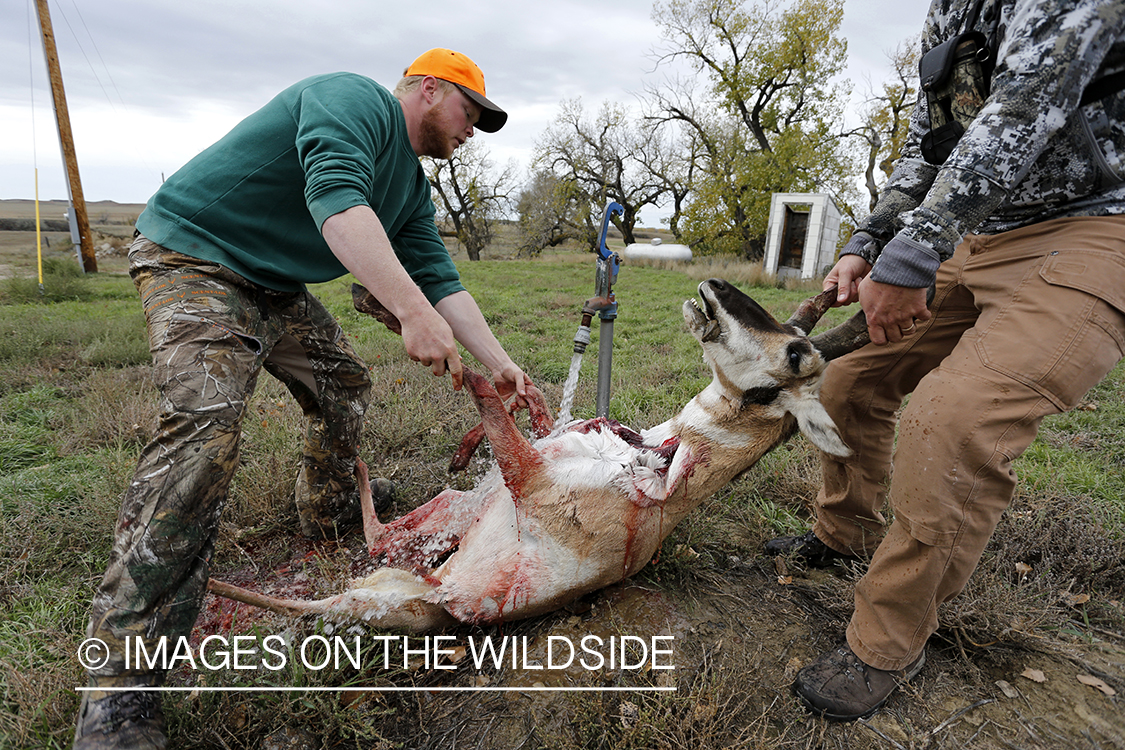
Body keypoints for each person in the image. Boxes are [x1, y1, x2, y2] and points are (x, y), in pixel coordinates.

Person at [73, 49, 529, 749]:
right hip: (194, 257)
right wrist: (409, 312)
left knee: (343, 383)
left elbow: (438, 277)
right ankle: (118, 680)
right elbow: (337, 202)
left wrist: (499, 363)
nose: (474, 130)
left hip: (271, 286)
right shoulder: (351, 100)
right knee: (206, 430)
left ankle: (329, 514)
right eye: (472, 112)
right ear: (430, 91)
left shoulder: (408, 187)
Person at [765, 0, 1125, 721]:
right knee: (845, 381)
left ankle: (887, 639)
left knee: (955, 418)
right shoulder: (950, 13)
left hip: (1096, 225)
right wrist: (865, 242)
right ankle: (844, 532)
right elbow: (926, 146)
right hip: (972, 231)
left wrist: (915, 247)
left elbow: (1030, 100)